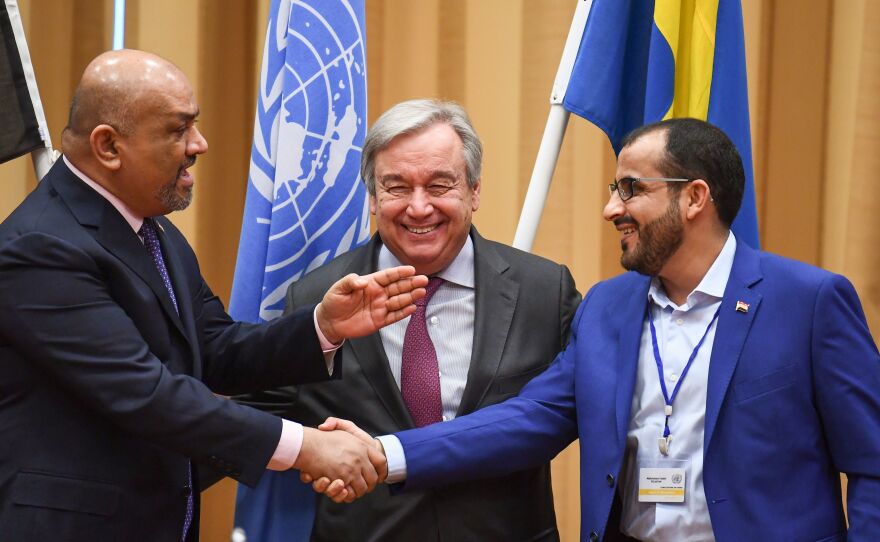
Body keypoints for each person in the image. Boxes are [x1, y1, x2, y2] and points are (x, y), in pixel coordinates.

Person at [318, 118, 880, 540]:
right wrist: (385, 453)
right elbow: (532, 417)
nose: (611, 209)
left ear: (694, 198)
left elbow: (873, 463)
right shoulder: (607, 307)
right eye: (614, 190)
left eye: (631, 189)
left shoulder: (808, 303)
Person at [0, 49, 428, 542]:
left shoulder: (151, 229)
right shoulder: (41, 248)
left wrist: (322, 328)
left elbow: (214, 350)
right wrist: (305, 447)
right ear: (109, 146)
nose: (199, 144)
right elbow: (146, 393)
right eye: (178, 129)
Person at [237, 99, 581, 541]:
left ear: (474, 191)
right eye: (397, 187)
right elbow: (249, 420)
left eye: (439, 185)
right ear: (373, 197)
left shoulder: (543, 292)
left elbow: (574, 411)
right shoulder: (316, 298)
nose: (419, 208)